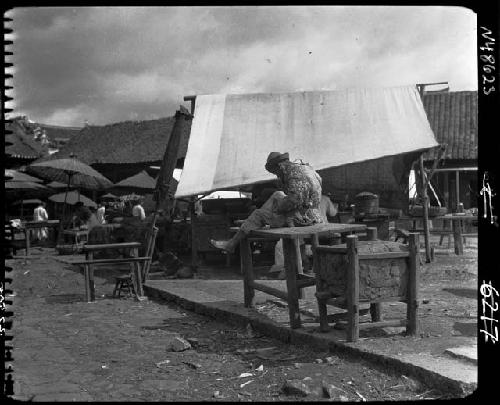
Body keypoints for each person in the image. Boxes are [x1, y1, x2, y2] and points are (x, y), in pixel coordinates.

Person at [210, 152, 324, 253]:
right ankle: (253, 222)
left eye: (276, 172)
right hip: (313, 214)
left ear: (280, 166)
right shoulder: (306, 168)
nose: (277, 175)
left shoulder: (293, 175)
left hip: (303, 219)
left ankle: (231, 244)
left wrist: (279, 208)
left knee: (258, 214)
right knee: (277, 194)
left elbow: (293, 201)